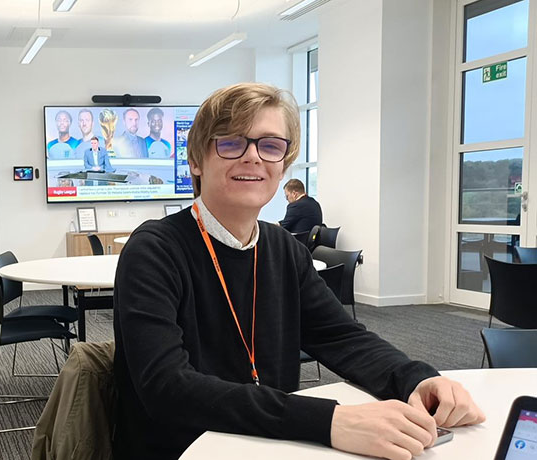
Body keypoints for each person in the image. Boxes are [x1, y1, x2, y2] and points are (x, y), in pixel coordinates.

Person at [113, 83, 485, 460]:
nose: (253, 158)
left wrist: (417, 379)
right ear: (196, 161)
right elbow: (166, 389)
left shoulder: (284, 250)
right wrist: (328, 422)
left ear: (283, 166)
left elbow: (342, 337)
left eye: (270, 146)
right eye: (231, 143)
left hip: (271, 441)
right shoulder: (155, 250)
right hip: (182, 450)